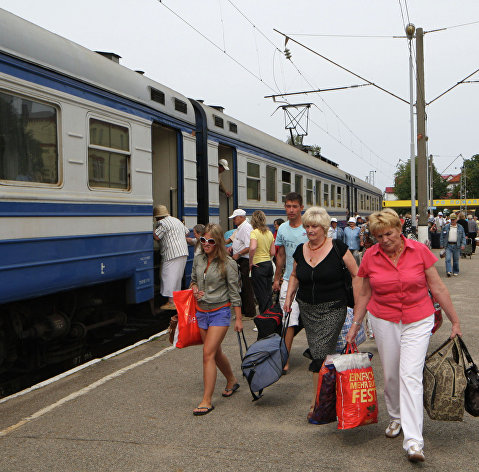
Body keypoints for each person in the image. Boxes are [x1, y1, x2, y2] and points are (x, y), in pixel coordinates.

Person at [345, 209, 462, 463]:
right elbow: (364, 294)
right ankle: (395, 416)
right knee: (390, 374)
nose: (384, 239)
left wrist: (455, 320)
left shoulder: (419, 251)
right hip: (384, 318)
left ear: (399, 229)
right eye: (378, 236)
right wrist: (355, 324)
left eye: (388, 233)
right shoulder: (370, 257)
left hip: (418, 318)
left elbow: (437, 287)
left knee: (410, 375)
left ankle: (413, 442)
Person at [283, 207, 359, 419]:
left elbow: (356, 274)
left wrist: (360, 304)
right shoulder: (300, 249)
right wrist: (289, 297)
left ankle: (317, 404)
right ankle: (331, 398)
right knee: (325, 354)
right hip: (308, 308)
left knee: (319, 353)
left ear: (324, 228)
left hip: (333, 307)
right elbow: (295, 276)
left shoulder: (338, 248)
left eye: (314, 226)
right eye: (307, 226)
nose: (310, 230)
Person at [189, 223, 243, 416]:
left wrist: (238, 319)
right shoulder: (198, 260)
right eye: (203, 240)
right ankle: (231, 380)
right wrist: (195, 288)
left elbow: (234, 292)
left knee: (207, 353)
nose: (206, 244)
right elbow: (193, 279)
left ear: (218, 242)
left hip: (220, 311)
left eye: (210, 241)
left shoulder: (228, 264)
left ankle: (206, 400)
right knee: (215, 352)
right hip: (201, 311)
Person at [273, 192, 308, 374]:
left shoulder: (309, 228)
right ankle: (284, 359)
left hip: (309, 280)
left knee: (312, 316)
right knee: (289, 319)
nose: (291, 210)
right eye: (288, 206)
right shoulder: (283, 229)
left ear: (301, 207)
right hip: (288, 279)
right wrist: (277, 278)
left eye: (295, 206)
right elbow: (281, 255)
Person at [153, 205, 189, 310]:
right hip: (183, 251)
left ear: (158, 217)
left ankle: (171, 302)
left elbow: (156, 236)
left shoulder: (162, 223)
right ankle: (175, 301)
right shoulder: (176, 220)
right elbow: (186, 232)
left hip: (171, 253)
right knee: (177, 277)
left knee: (168, 276)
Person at [228, 209, 256, 317]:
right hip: (241, 259)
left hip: (244, 259)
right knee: (243, 285)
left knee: (246, 286)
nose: (234, 220)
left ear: (241, 217)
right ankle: (245, 310)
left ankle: (249, 312)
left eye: (235, 218)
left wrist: (238, 253)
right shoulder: (241, 228)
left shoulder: (245, 228)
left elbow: (249, 246)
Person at [249, 210, 275, 314]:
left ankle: (264, 319)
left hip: (258, 265)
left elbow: (252, 247)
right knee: (268, 294)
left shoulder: (254, 232)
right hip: (268, 265)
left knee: (261, 295)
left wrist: (251, 262)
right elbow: (273, 252)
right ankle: (270, 317)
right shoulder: (269, 233)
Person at [440, 212, 466, 277]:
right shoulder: (446, 227)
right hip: (448, 245)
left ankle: (455, 271)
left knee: (456, 260)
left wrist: (463, 244)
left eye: (454, 219)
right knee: (447, 259)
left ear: (456, 220)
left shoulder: (460, 227)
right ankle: (449, 271)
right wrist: (441, 244)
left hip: (457, 245)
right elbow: (442, 236)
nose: (453, 221)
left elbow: (463, 237)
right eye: (451, 219)